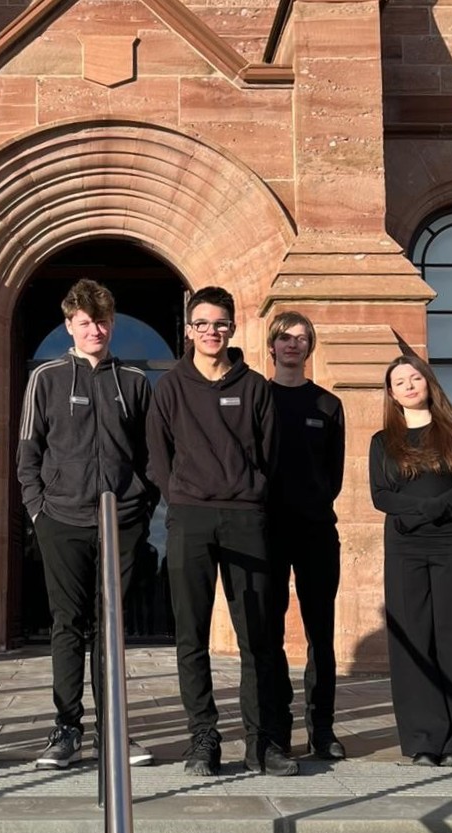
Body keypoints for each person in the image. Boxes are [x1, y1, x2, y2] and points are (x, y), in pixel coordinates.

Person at [146, 286, 298, 777]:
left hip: (246, 518)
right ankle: (203, 739)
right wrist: (181, 495)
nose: (211, 331)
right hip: (190, 518)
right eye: (202, 323)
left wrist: (249, 492)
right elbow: (158, 456)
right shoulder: (169, 388)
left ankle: (263, 742)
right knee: (191, 635)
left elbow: (270, 455)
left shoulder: (253, 386)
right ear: (189, 330)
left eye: (220, 323)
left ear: (232, 328)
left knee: (259, 636)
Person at [17, 278, 158, 770]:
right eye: (84, 322)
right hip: (61, 518)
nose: (94, 330)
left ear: (111, 323)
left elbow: (150, 456)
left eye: (101, 322)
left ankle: (113, 730)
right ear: (69, 326)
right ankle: (67, 729)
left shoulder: (134, 381)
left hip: (121, 521)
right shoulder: (47, 378)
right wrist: (37, 510)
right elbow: (29, 451)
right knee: (67, 624)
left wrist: (141, 508)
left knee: (111, 627)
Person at [369, 354, 452, 768]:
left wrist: (432, 510)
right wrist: (419, 514)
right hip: (405, 545)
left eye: (415, 378)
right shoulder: (383, 441)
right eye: (400, 381)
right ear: (391, 393)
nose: (409, 386)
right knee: (412, 637)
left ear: (428, 382)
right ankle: (424, 739)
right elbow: (381, 495)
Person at [265, 311, 347, 761]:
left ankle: (323, 728)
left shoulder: (328, 405)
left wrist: (312, 503)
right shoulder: (258, 397)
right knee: (269, 632)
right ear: (272, 346)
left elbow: (333, 474)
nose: (292, 344)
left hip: (316, 530)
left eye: (301, 338)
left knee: (321, 633)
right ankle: (277, 727)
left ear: (309, 347)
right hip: (268, 530)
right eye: (285, 337)